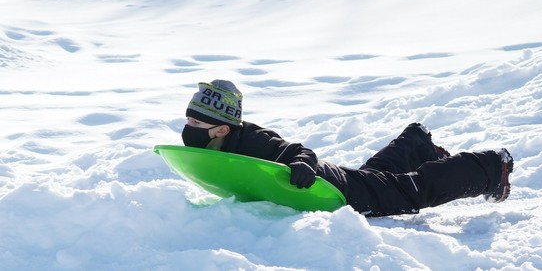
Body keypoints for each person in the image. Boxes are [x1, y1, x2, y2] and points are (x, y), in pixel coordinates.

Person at [181, 79, 514, 217]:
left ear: (222, 128)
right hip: (337, 180)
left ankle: (489, 167)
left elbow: (302, 152)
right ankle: (417, 142)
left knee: (409, 192)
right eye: (189, 121)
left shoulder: (253, 140)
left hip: (333, 187)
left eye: (196, 124)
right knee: (377, 176)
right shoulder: (220, 143)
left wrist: (302, 167)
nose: (188, 129)